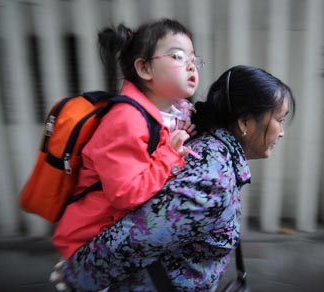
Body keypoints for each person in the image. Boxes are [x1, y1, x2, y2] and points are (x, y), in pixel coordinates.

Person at [52, 65, 295, 291]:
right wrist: (75, 275)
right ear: (245, 122)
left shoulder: (220, 157)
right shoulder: (211, 178)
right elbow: (135, 239)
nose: (282, 132)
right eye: (280, 119)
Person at [53, 18, 203, 259]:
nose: (191, 66)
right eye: (178, 56)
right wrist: (171, 154)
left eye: (193, 59)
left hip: (121, 234)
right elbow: (126, 194)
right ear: (144, 68)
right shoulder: (126, 120)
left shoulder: (167, 114)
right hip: (92, 244)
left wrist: (176, 138)